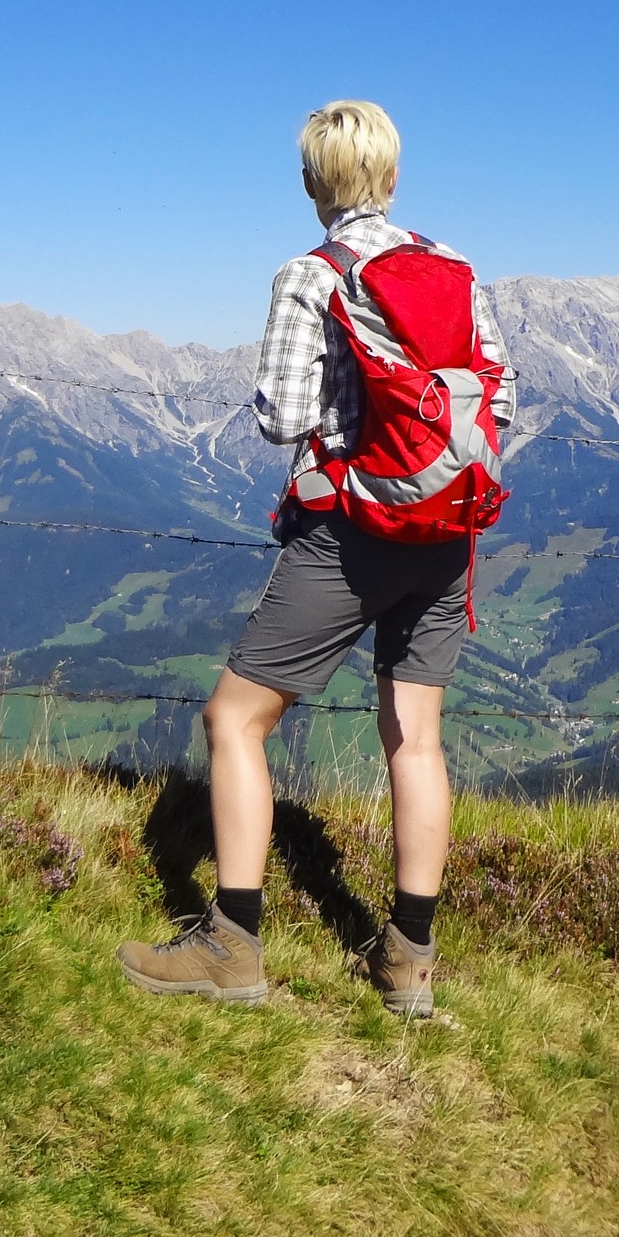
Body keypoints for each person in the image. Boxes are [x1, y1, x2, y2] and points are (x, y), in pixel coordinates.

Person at [118, 100, 514, 1017]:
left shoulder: (311, 273)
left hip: (351, 535)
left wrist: (349, 420)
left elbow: (280, 419)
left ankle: (231, 946)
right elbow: (499, 394)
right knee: (415, 737)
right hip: (448, 533)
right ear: (393, 176)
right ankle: (408, 963)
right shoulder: (454, 268)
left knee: (234, 720)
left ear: (311, 185)